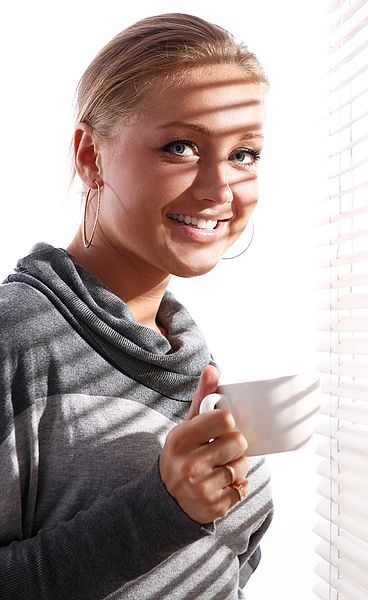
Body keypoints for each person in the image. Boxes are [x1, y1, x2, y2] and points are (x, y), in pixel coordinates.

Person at [0, 13, 273, 600]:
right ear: (90, 155)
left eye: (245, 154)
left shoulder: (186, 352)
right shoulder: (16, 338)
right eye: (181, 146)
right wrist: (161, 510)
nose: (220, 189)